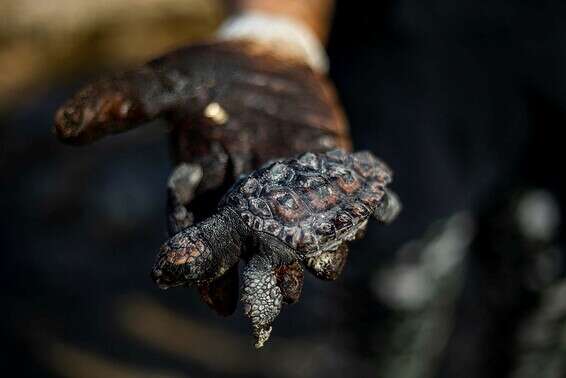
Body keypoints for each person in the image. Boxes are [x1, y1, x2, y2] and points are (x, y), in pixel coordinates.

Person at [48, 0, 566, 376]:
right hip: (408, 64)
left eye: (176, 257)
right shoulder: (236, 213)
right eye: (176, 259)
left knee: (542, 289)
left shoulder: (237, 217)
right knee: (395, 277)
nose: (172, 264)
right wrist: (273, 26)